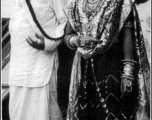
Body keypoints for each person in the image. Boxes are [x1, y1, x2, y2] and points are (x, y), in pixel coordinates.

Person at [64, 0, 150, 120]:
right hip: (84, 67)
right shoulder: (75, 4)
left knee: (113, 110)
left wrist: (128, 73)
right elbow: (68, 35)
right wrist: (79, 41)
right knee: (86, 112)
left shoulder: (120, 3)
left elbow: (127, 35)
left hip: (112, 65)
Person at [8, 0, 67, 120]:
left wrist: (48, 43)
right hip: (18, 64)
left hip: (41, 63)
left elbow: (67, 22)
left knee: (44, 110)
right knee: (18, 110)